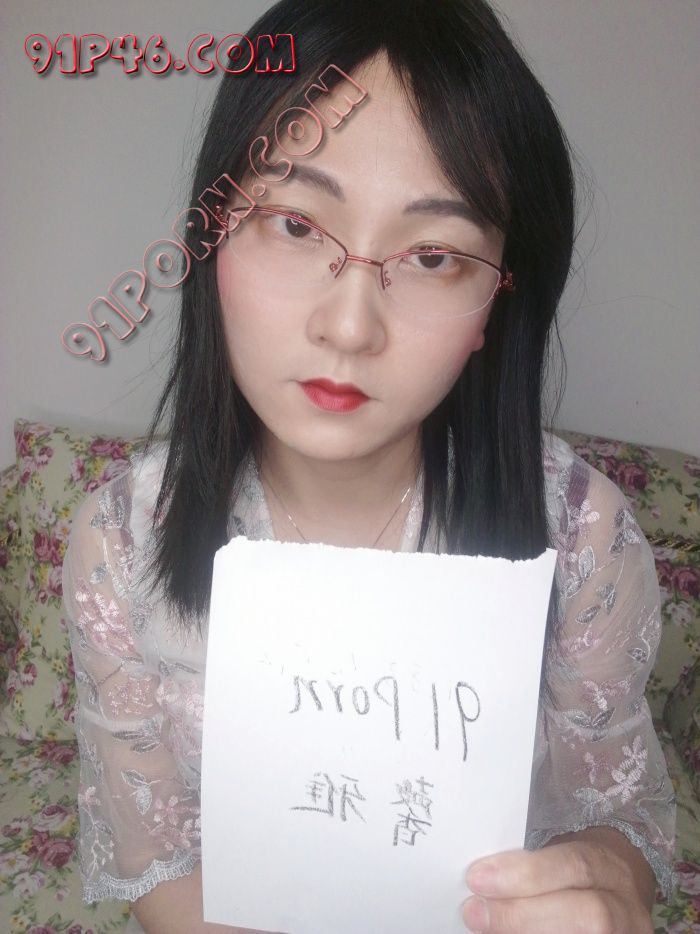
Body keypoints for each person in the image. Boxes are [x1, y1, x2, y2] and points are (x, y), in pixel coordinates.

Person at [61, 1, 677, 931]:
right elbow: (159, 861)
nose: (349, 327)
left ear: (497, 304)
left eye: (433, 256)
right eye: (295, 224)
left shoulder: (583, 538)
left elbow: (617, 815)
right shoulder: (120, 546)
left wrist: (611, 878)